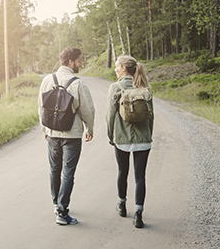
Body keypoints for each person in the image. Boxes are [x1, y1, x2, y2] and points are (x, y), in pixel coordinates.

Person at [38, 47, 95, 226]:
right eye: (79, 60)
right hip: (72, 134)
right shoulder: (77, 83)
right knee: (68, 172)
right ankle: (63, 212)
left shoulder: (48, 80)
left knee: (54, 169)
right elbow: (87, 109)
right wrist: (89, 128)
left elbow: (41, 108)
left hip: (53, 133)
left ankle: (56, 204)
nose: (80, 64)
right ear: (70, 62)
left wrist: (45, 129)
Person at [106, 54, 154, 229]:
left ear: (124, 69)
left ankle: (122, 204)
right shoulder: (144, 87)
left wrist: (111, 136)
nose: (115, 69)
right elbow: (151, 117)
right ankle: (138, 213)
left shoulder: (115, 88)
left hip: (122, 139)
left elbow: (110, 115)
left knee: (122, 172)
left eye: (117, 66)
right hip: (144, 140)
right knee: (140, 176)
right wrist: (149, 135)